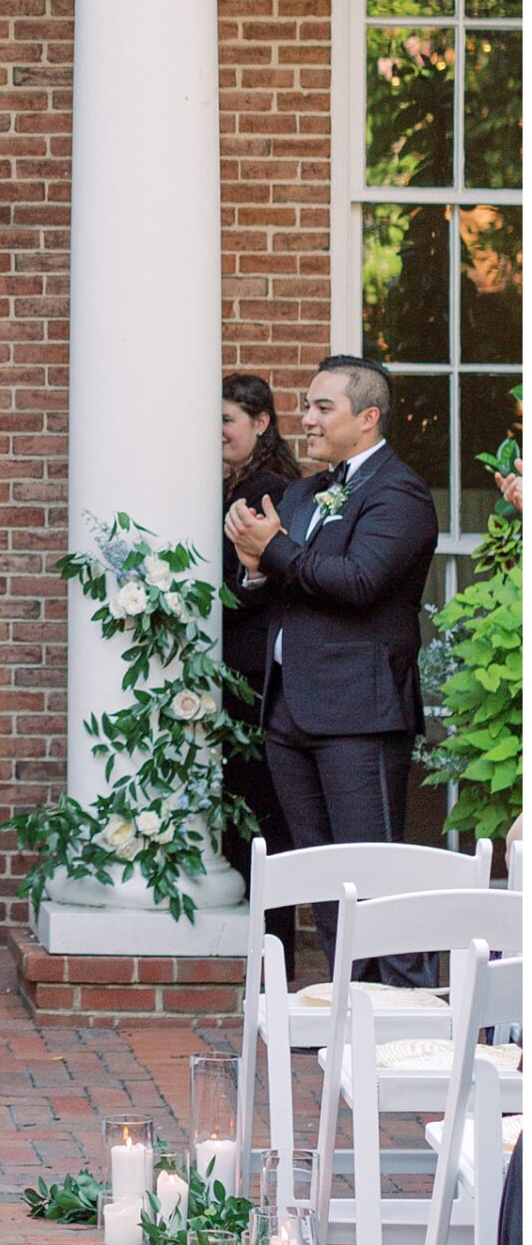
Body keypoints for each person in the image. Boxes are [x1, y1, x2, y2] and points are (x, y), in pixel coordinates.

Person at [225, 355, 440, 988]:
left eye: (324, 407)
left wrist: (276, 549)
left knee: (373, 874)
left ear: (367, 418)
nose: (307, 418)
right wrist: (256, 566)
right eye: (308, 404)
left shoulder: (399, 492)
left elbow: (359, 582)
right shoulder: (301, 492)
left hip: (359, 711)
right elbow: (280, 587)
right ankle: (353, 1006)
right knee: (322, 875)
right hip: (290, 708)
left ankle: (409, 1010)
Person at [220, 374, 303, 973]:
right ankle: (266, 950)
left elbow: (262, 583)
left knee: (259, 812)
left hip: (254, 671)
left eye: (227, 419)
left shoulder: (265, 491)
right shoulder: (237, 484)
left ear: (261, 423)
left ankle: (272, 952)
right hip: (239, 668)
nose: (216, 432)